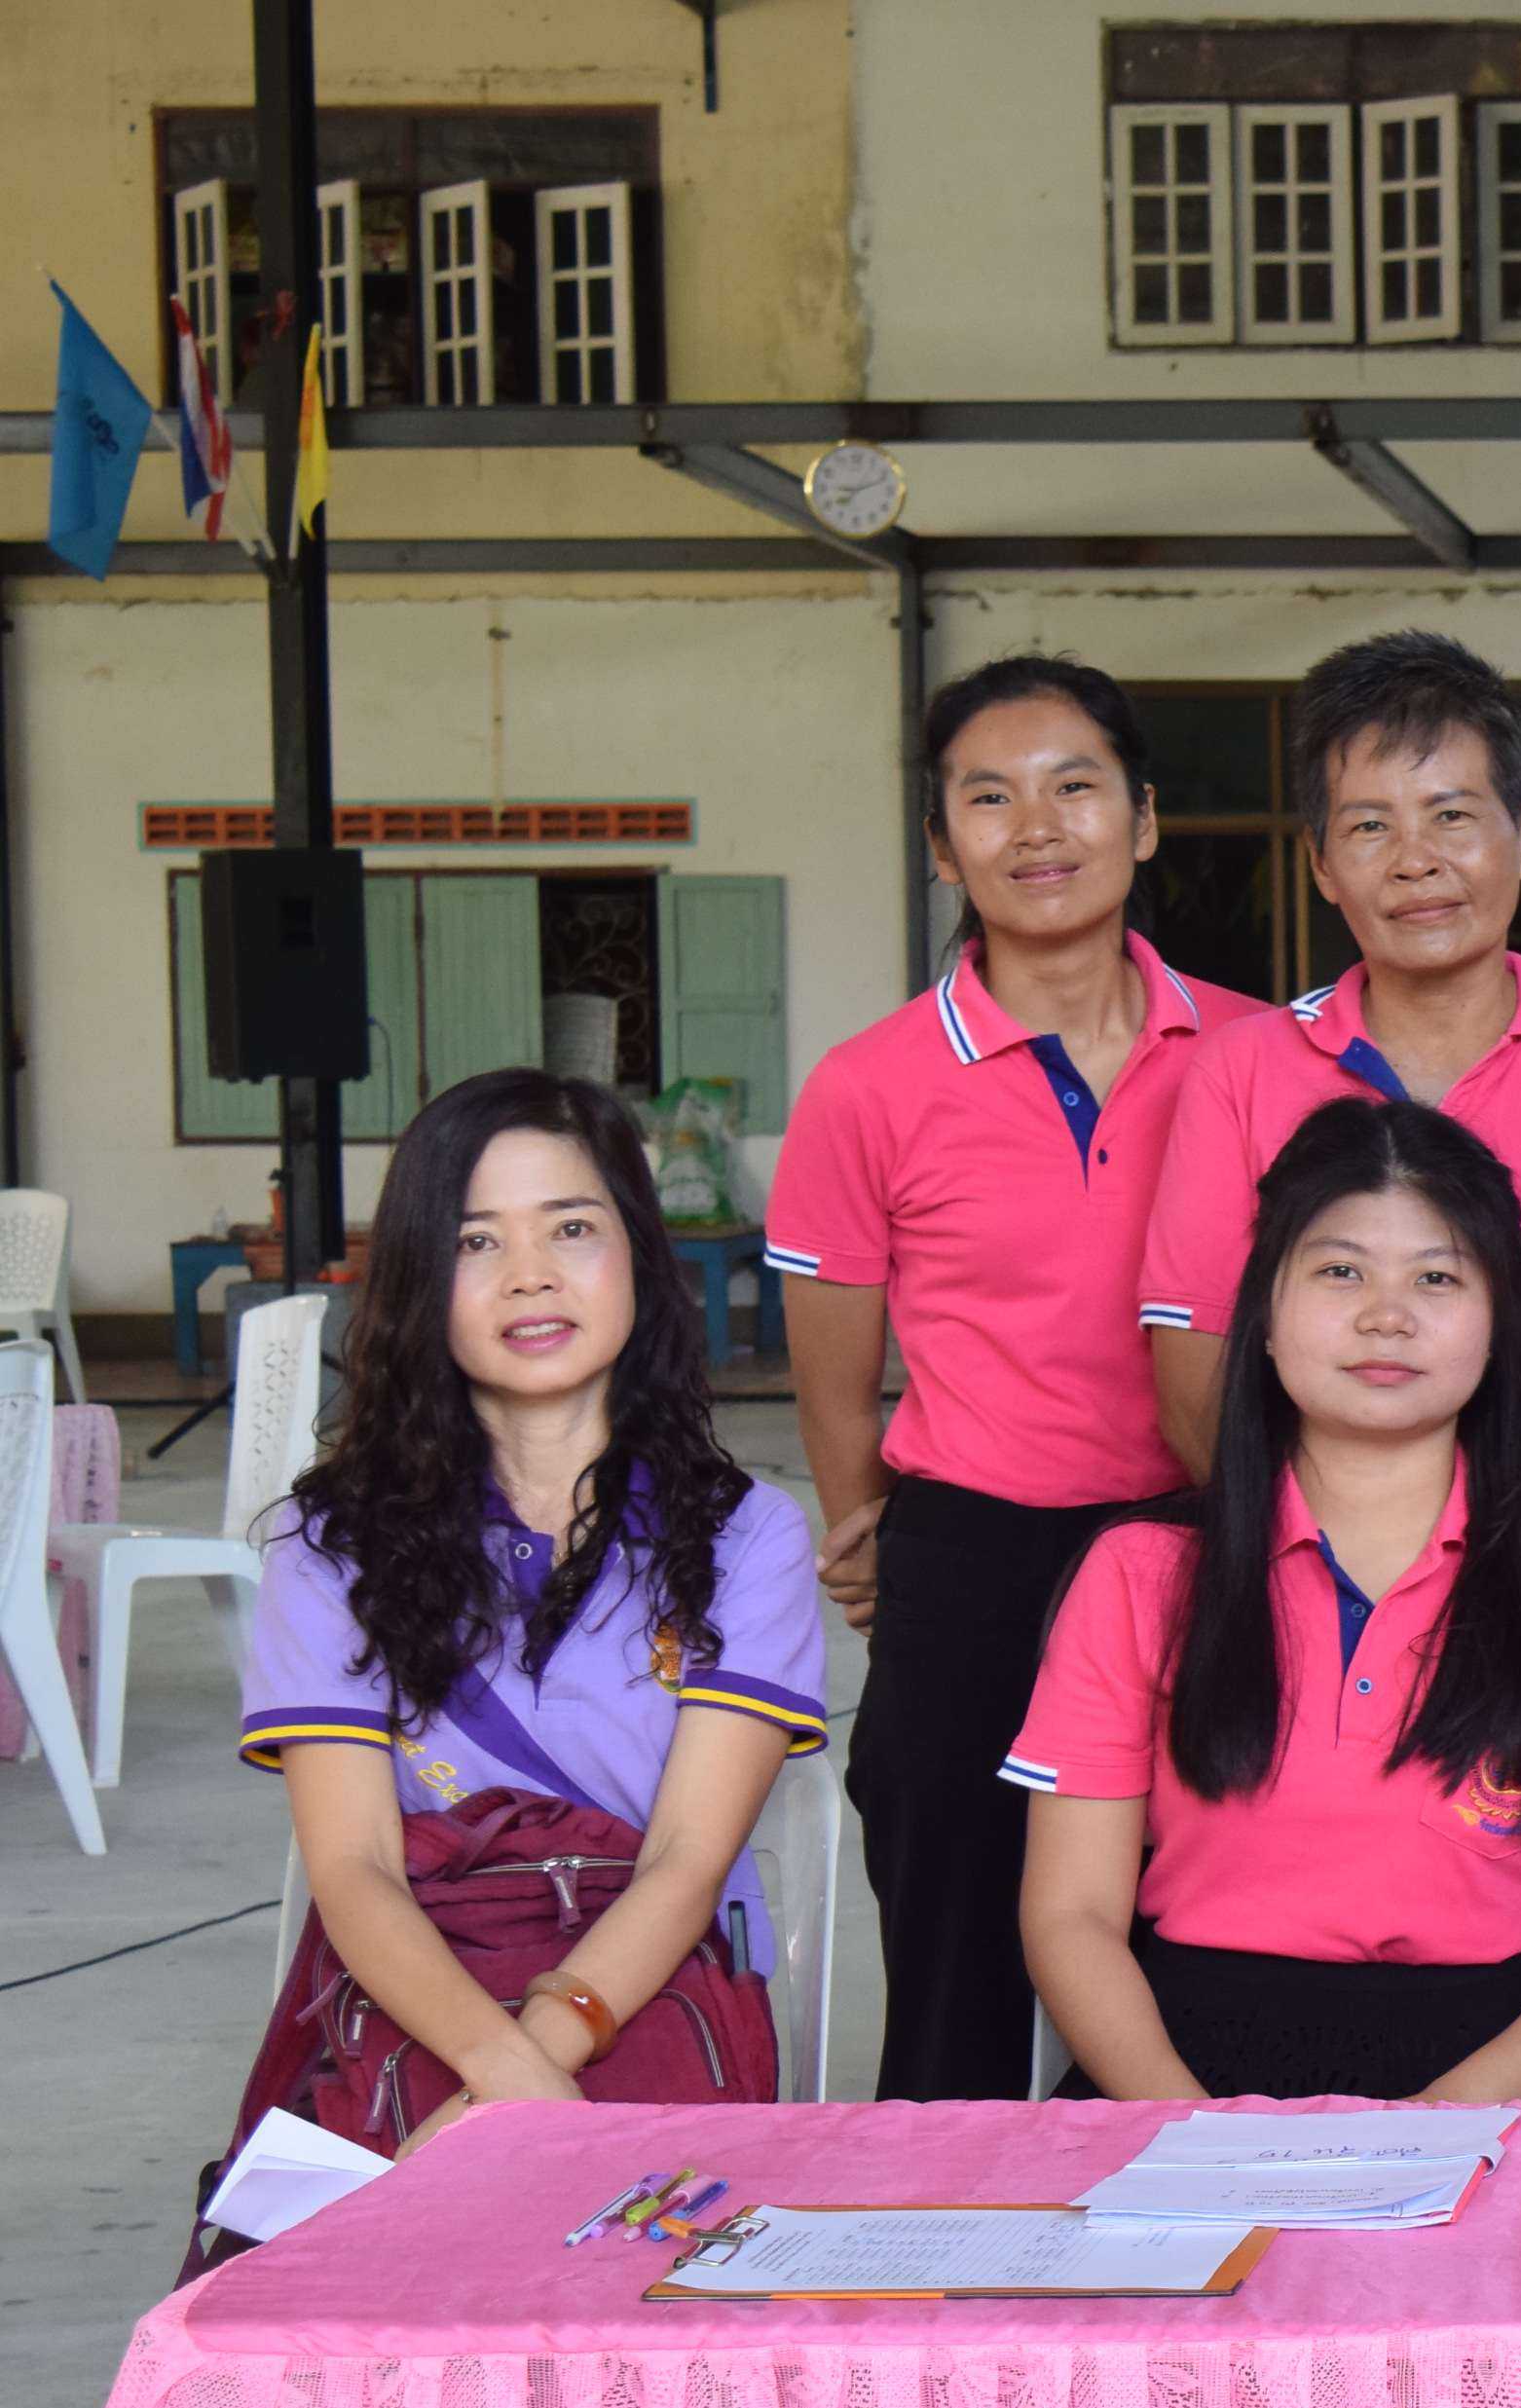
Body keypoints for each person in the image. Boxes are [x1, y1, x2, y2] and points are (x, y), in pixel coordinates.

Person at [765, 652, 1262, 2103]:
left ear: (1144, 821)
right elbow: (835, 1371)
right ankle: (943, 2215)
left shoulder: (1261, 1052)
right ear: (942, 847)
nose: (1036, 828)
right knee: (959, 1959)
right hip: (976, 1557)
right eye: (988, 799)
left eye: (1074, 788)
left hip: (1210, 1538)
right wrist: (870, 1534)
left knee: (1208, 1941)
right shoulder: (869, 1084)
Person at [1007, 1099, 1521, 2100]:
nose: (1385, 1316)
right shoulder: (1142, 1573)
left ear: (1502, 1324)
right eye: (1339, 1272)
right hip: (1184, 2074)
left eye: (1437, 1278)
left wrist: (1442, 2120)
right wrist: (1188, 2126)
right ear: (1264, 1315)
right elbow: (1070, 1917)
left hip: (1511, 2075)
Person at [244, 1071, 826, 2144]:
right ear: (419, 1280)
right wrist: (492, 2064)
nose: (530, 1276)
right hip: (417, 1994)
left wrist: (518, 2082)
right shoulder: (327, 1545)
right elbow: (355, 1867)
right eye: (476, 1241)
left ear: (638, 1254)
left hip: (646, 1988)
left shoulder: (747, 1537)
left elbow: (687, 1857)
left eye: (571, 1228)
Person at [1138, 631, 1521, 1565]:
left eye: (1452, 816)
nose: (1415, 861)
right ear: (1321, 864)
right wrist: (1337, 1585)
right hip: (1315, 1598)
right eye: (1369, 827)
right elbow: (1194, 1381)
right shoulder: (1241, 1070)